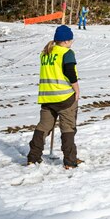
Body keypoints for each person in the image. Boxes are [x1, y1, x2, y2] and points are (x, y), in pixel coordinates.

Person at [27, 24, 81, 169]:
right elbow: (70, 72)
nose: (72, 42)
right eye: (71, 40)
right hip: (64, 97)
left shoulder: (45, 53)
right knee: (68, 128)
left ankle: (33, 157)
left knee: (43, 127)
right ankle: (70, 162)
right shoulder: (66, 53)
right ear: (65, 41)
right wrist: (76, 89)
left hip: (47, 98)